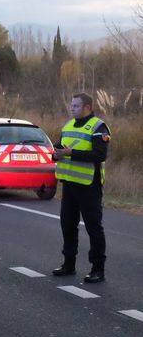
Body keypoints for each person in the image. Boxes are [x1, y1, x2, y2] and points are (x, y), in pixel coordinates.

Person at [51, 92, 110, 283]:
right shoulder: (68, 125)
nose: (72, 108)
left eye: (76, 106)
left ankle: (97, 269)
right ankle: (69, 264)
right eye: (71, 105)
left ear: (87, 107)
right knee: (67, 225)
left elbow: (99, 155)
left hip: (88, 186)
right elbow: (59, 148)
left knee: (93, 228)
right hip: (69, 185)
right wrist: (56, 153)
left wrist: (70, 153)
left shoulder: (98, 127)